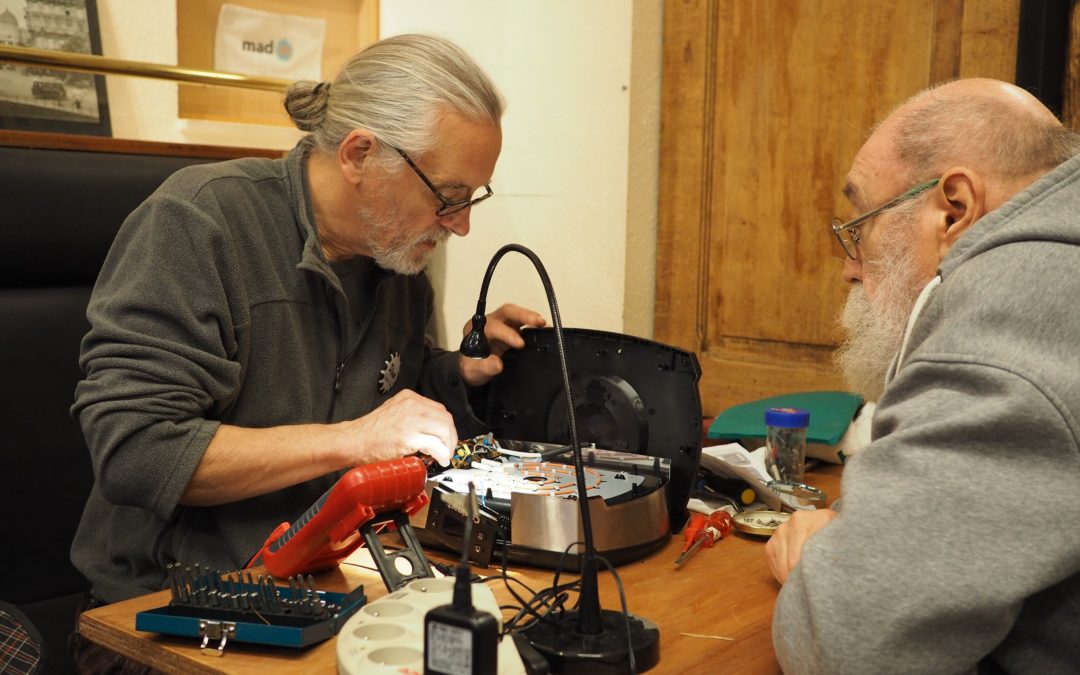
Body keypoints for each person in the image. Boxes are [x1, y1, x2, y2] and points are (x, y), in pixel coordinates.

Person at [69, 32, 542, 644]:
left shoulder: (396, 259)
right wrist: (352, 442)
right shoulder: (198, 222)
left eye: (472, 198)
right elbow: (139, 453)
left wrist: (460, 372)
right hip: (167, 615)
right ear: (359, 154)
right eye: (448, 198)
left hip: (325, 590)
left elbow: (389, 392)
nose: (462, 225)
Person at [766, 78, 1080, 673]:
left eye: (860, 224)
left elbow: (846, 647)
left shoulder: (1007, 324)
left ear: (953, 210)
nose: (849, 269)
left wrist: (813, 562)